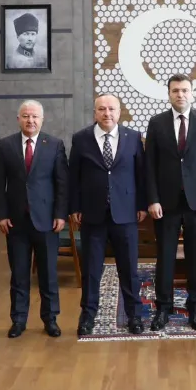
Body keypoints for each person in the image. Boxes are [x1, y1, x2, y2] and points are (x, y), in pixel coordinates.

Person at [144, 74, 196, 332]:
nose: (180, 94)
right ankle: (163, 308)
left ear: (192, 92)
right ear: (169, 94)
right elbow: (149, 165)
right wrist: (152, 199)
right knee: (165, 257)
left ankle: (195, 308)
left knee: (195, 257)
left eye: (185, 90)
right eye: (176, 90)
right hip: (166, 203)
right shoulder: (156, 123)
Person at [68, 94, 147, 336]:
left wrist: (142, 205)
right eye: (102, 109)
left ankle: (134, 316)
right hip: (92, 215)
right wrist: (74, 207)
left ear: (119, 112)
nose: (107, 113)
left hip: (126, 214)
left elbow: (141, 174)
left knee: (129, 269)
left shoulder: (133, 137)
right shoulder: (81, 138)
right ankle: (87, 316)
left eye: (111, 109)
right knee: (91, 270)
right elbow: (73, 177)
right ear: (95, 112)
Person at [0, 100, 68, 338]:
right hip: (16, 222)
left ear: (42, 119)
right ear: (18, 119)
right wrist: (0, 215)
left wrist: (60, 214)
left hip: (47, 221)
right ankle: (18, 320)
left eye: (35, 116)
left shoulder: (54, 144)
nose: (30, 120)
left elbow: (62, 183)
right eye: (26, 116)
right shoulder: (5, 145)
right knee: (19, 274)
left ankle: (50, 319)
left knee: (48, 274)